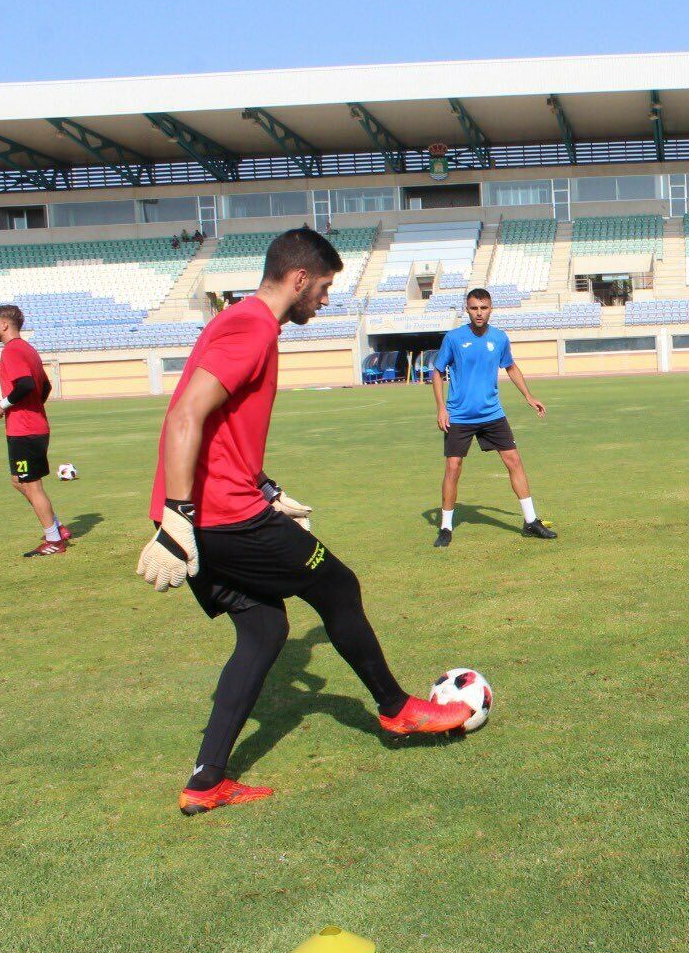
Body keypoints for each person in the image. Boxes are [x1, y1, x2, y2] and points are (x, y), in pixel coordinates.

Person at [138, 227, 473, 818]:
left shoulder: (239, 320)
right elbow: (185, 415)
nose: (324, 300)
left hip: (222, 509)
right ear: (297, 280)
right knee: (337, 584)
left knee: (264, 631)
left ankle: (206, 781)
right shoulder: (253, 326)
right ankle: (397, 709)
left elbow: (218, 425)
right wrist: (179, 520)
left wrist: (265, 486)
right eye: (322, 288)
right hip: (220, 519)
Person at [430, 288, 555, 547]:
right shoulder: (453, 338)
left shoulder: (499, 338)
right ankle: (445, 527)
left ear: (491, 309)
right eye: (474, 308)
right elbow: (437, 372)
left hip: (491, 413)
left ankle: (531, 521)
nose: (479, 312)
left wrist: (529, 397)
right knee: (453, 468)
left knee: (514, 461)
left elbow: (510, 366)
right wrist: (441, 408)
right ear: (467, 309)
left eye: (484, 307)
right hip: (459, 415)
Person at [0, 304, 71, 557]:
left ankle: (54, 541)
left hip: (24, 431)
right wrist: (33, 408)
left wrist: (3, 405)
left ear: (4, 324)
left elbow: (25, 384)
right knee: (19, 481)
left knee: (31, 485)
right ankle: (57, 527)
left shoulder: (12, 351)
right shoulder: (28, 349)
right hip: (33, 427)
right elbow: (44, 386)